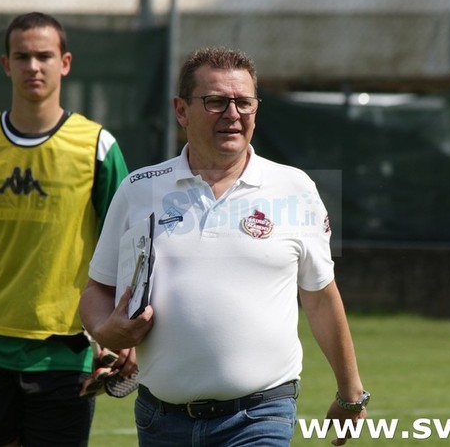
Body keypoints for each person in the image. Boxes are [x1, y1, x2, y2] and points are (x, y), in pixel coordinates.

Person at [80, 46, 369, 446]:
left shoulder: (295, 188)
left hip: (260, 415)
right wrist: (104, 329)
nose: (232, 114)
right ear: (181, 111)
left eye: (244, 102)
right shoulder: (139, 188)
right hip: (160, 420)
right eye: (215, 101)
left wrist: (351, 395)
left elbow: (320, 297)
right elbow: (98, 288)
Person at [0, 12, 129, 447]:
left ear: (65, 63)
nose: (33, 66)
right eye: (22, 56)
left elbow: (127, 249)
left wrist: (120, 332)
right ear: (5, 64)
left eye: (44, 56)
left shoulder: (97, 146)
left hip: (64, 350)